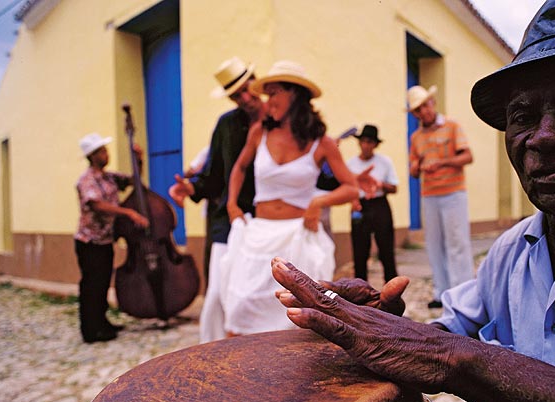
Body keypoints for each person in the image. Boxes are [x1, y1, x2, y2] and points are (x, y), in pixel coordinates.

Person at [270, 1, 555, 402]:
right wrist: (384, 326)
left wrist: (455, 360)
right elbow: (448, 332)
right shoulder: (512, 250)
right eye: (522, 117)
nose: (543, 137)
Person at [223, 60, 360, 336]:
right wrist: (232, 204)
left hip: (297, 237)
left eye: (273, 93)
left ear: (294, 94)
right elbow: (239, 167)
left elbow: (351, 188)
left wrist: (317, 203)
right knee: (240, 309)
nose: (267, 100)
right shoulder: (259, 132)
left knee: (297, 318)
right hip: (258, 235)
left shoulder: (321, 142)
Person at [169, 57, 266, 343]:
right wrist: (191, 188)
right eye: (236, 96)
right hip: (228, 219)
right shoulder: (226, 125)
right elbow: (213, 177)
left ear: (256, 82)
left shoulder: (281, 118)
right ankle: (216, 353)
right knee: (218, 294)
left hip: (270, 220)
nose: (245, 98)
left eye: (247, 89)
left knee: (262, 294)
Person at [74, 132, 149, 343]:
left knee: (103, 283)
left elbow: (134, 181)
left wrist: (139, 160)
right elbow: (96, 204)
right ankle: (90, 330)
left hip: (106, 240)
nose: (107, 154)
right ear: (93, 156)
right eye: (103, 151)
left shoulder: (109, 177)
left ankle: (102, 322)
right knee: (91, 285)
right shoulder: (87, 180)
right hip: (89, 242)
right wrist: (129, 213)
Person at [408, 84, 474, 308]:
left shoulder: (452, 126)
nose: (423, 111)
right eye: (417, 109)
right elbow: (413, 168)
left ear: (432, 103)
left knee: (457, 243)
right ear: (415, 113)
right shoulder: (416, 137)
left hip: (453, 193)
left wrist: (442, 162)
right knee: (434, 244)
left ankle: (463, 293)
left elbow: (467, 156)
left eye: (425, 105)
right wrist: (417, 166)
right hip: (429, 195)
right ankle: (441, 293)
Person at [346, 124, 399, 282]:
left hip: (379, 204)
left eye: (370, 142)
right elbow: (347, 187)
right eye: (363, 141)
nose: (366, 145)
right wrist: (353, 201)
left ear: (375, 144)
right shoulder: (351, 164)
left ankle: (391, 286)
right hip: (360, 205)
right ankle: (360, 290)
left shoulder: (384, 162)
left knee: (386, 248)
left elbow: (394, 187)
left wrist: (380, 185)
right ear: (359, 143)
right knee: (360, 250)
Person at [183, 145, 218, 291]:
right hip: (215, 210)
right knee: (212, 255)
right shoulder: (209, 151)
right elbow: (189, 172)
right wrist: (203, 171)